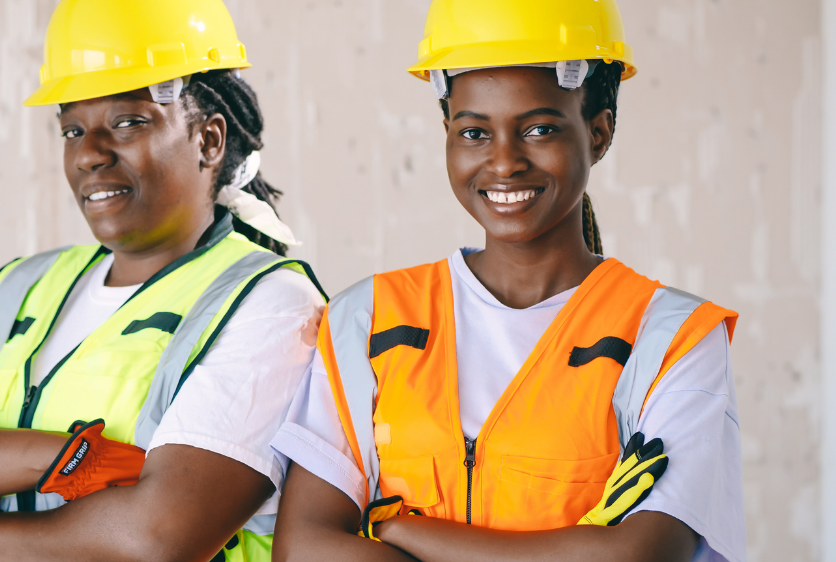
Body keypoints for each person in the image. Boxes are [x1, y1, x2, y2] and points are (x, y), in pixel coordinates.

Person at [0, 1, 326, 561]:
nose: (90, 155)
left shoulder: (271, 304)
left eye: (128, 122)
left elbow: (156, 537)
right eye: (72, 129)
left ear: (209, 141)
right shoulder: (20, 286)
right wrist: (68, 460)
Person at [271, 1, 745, 561]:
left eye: (539, 128)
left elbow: (638, 555)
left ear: (599, 132)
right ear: (446, 131)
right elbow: (302, 547)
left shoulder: (674, 338)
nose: (503, 162)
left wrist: (395, 529)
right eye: (474, 132)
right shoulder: (368, 319)